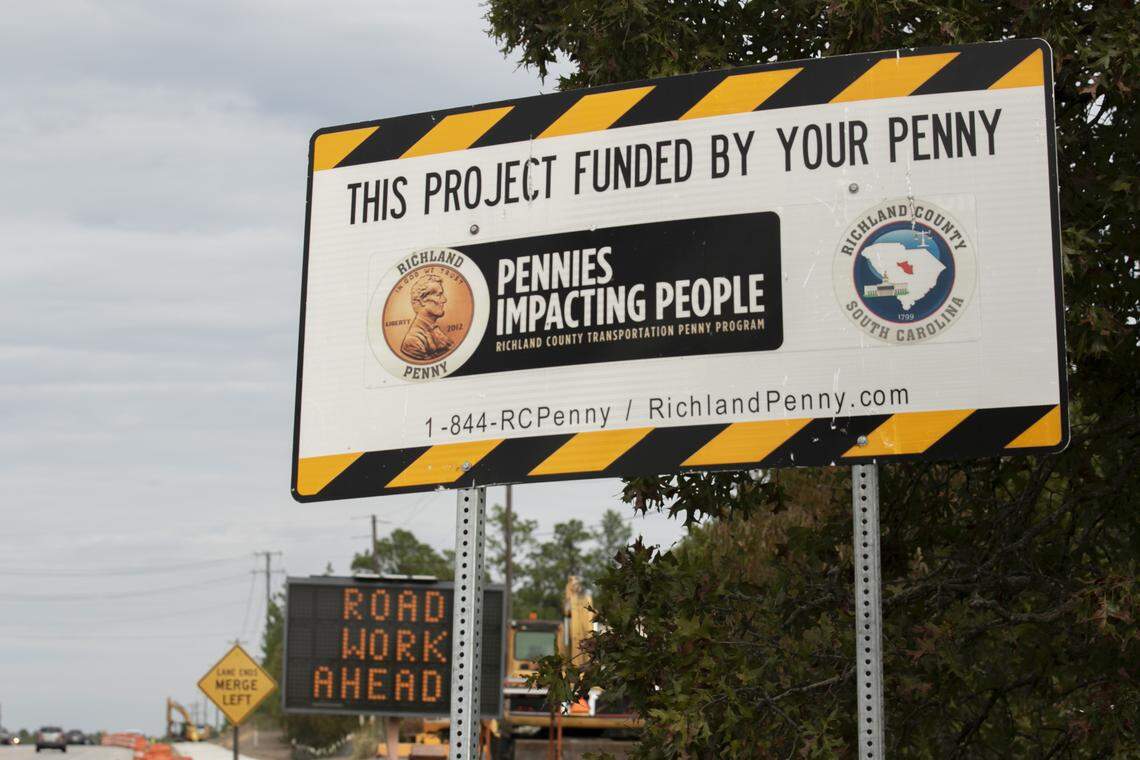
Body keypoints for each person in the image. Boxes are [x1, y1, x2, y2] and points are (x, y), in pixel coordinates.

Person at [400, 273, 454, 361]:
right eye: (439, 295)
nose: (444, 300)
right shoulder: (413, 341)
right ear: (422, 301)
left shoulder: (435, 330)